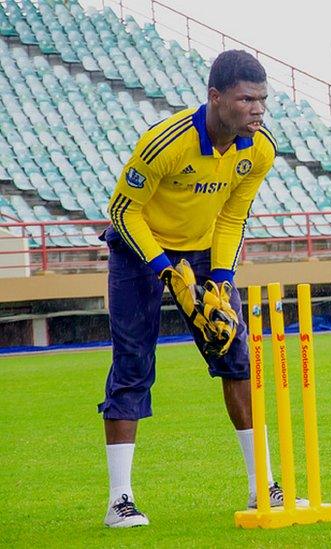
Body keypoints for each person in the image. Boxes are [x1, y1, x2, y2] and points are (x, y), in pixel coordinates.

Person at [98, 50, 287, 528]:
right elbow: (122, 211)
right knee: (132, 367)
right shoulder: (167, 142)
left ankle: (261, 486)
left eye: (263, 100)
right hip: (139, 250)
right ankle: (120, 501)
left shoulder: (259, 149)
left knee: (236, 358)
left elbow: (231, 217)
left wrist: (221, 280)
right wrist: (164, 270)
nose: (258, 110)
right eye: (247, 99)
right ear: (215, 97)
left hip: (205, 255)